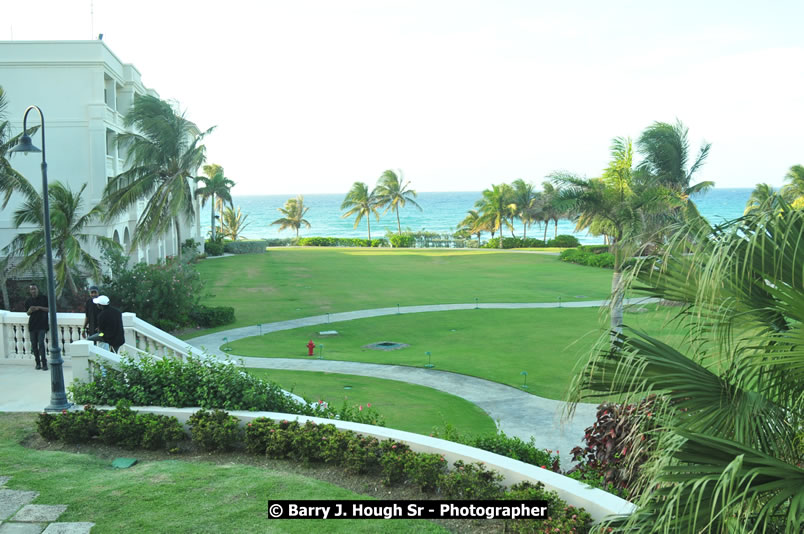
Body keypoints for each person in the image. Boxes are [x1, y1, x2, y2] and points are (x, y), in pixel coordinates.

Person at [24, 284, 49, 370]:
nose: (33, 291)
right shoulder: (28, 301)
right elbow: (27, 313)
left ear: (38, 289)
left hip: (42, 325)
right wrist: (30, 310)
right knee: (34, 345)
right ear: (30, 291)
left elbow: (49, 309)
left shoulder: (44, 298)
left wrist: (39, 308)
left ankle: (44, 364)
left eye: (34, 289)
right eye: (31, 289)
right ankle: (37, 363)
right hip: (32, 325)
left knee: (41, 344)